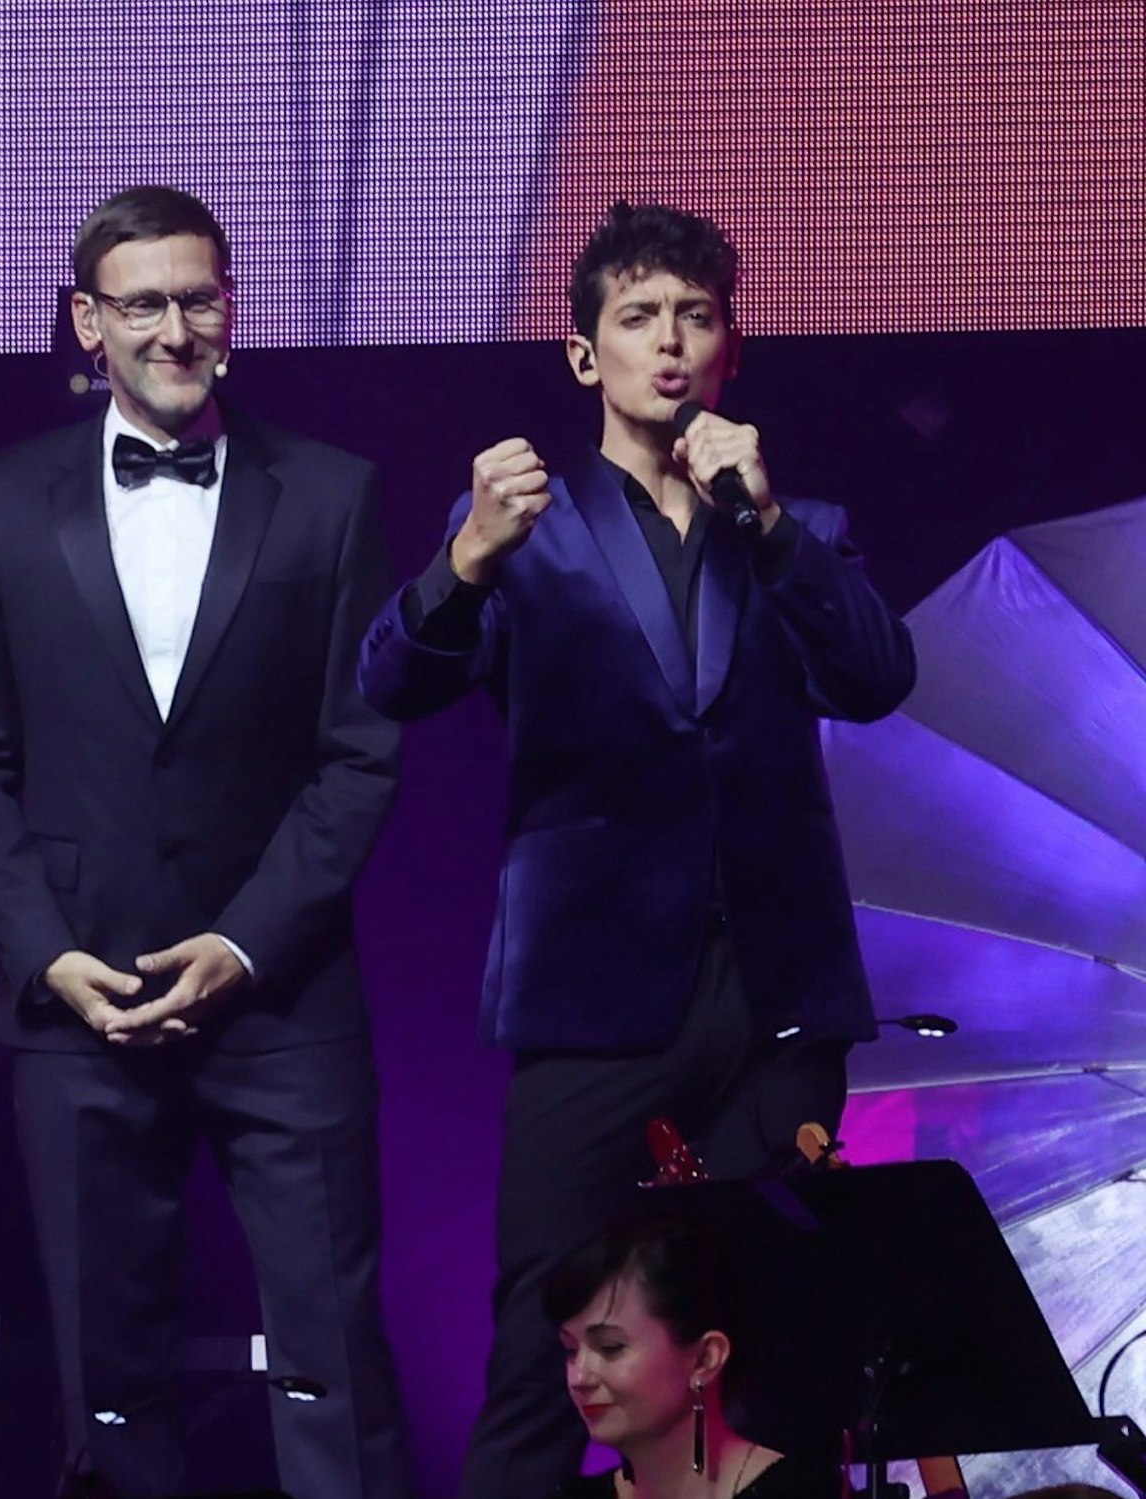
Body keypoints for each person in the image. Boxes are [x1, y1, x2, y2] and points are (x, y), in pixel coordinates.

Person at [356, 200, 917, 1499]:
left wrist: (770, 526)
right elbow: (390, 684)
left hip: (776, 992)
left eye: (697, 318)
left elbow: (879, 676)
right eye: (639, 317)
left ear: (731, 348)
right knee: (543, 1341)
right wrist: (462, 564)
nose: (670, 344)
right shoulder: (521, 525)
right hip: (595, 999)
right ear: (581, 352)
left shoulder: (798, 526)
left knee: (773, 1352)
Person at [0, 185, 410, 1498]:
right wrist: (47, 955)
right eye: (143, 301)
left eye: (200, 295)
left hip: (284, 995)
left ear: (231, 311)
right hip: (80, 1001)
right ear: (88, 321)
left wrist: (249, 940)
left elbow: (360, 750)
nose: (176, 326)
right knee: (112, 1375)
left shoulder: (328, 493)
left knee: (335, 1360)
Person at [545, 1217, 838, 1499]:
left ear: (705, 1358)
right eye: (571, 1350)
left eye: (610, 1347)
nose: (579, 1378)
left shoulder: (802, 1491)